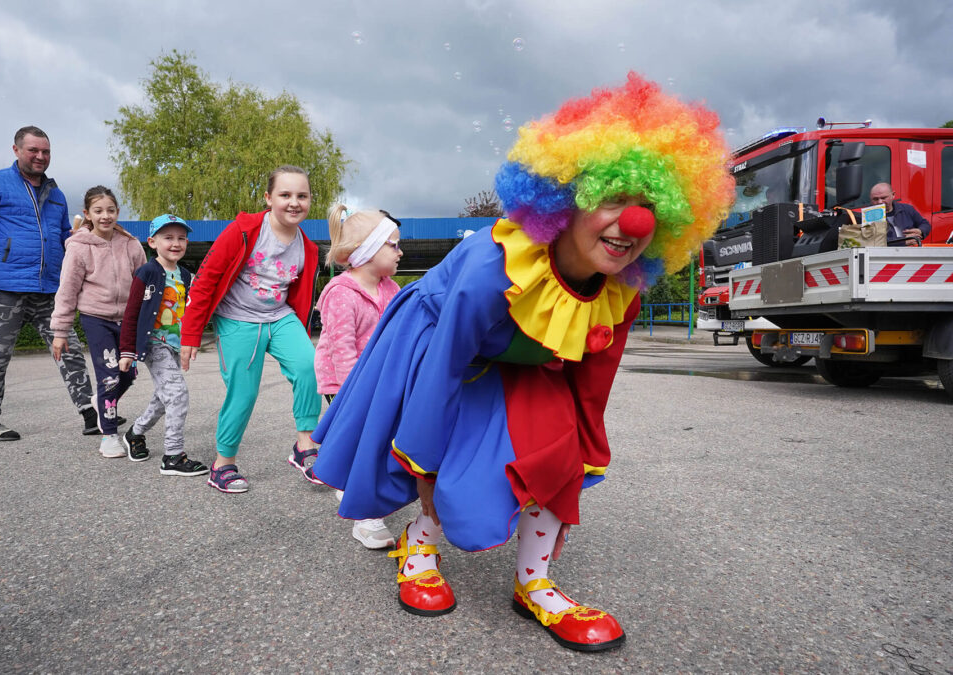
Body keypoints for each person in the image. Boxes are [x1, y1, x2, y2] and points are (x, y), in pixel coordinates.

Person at [310, 73, 735, 652]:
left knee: (560, 449)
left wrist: (581, 466)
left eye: (649, 208)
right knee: (452, 454)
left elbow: (591, 390)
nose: (631, 224)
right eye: (612, 198)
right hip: (435, 342)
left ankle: (534, 584)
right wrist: (428, 473)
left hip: (520, 357)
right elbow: (443, 373)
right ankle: (419, 543)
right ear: (564, 201)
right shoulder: (495, 266)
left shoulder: (620, 289)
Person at [180, 165, 322, 493]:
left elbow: (298, 292)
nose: (294, 202)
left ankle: (304, 445)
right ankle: (223, 465)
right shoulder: (244, 230)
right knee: (243, 393)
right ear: (268, 197)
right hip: (238, 319)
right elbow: (205, 280)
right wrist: (191, 332)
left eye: (302, 195)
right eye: (285, 195)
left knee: (307, 365)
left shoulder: (307, 247)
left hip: (280, 316)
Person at [0, 126, 104, 441]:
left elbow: (65, 239)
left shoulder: (57, 194)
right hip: (7, 286)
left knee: (70, 349)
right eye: (33, 150)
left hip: (49, 289)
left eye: (45, 151)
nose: (40, 157)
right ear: (16, 150)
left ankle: (92, 415)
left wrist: (76, 238)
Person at [315, 204, 403, 549]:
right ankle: (366, 518)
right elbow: (341, 348)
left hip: (377, 382)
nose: (400, 251)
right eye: (392, 244)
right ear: (366, 251)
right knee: (364, 442)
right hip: (346, 382)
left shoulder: (390, 289)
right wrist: (359, 393)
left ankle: (343, 477)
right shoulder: (341, 293)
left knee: (368, 440)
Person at [50, 186, 146, 457]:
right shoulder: (79, 248)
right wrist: (60, 331)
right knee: (109, 379)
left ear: (117, 212)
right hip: (97, 319)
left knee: (128, 374)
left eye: (111, 210)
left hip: (128, 321)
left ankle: (101, 401)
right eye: (99, 211)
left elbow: (143, 284)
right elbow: (67, 291)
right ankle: (109, 435)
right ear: (87, 214)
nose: (106, 216)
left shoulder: (131, 244)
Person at [118, 214, 209, 476]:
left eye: (181, 238)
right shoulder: (147, 272)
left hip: (174, 346)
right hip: (153, 344)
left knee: (164, 396)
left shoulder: (185, 275)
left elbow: (194, 310)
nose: (176, 243)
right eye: (168, 238)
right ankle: (173, 456)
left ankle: (135, 434)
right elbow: (132, 313)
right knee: (178, 394)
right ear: (152, 242)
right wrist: (127, 351)